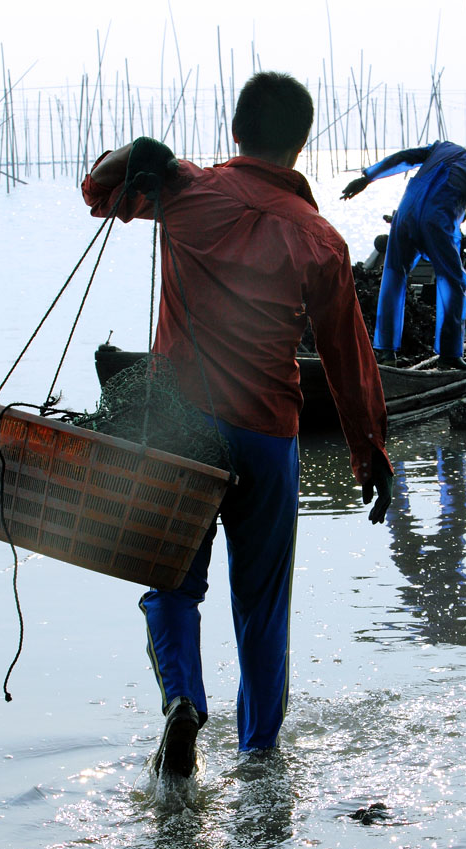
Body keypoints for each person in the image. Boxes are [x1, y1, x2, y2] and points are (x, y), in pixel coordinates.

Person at [81, 72, 393, 776]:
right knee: (261, 607)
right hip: (267, 439)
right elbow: (348, 358)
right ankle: (257, 758)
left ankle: (184, 703)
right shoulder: (319, 239)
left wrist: (132, 153)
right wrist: (369, 452)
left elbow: (99, 192)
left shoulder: (185, 192)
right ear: (301, 141)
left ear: (235, 131)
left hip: (182, 430)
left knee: (170, 581)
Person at [341, 133, 466, 370]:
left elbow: (403, 158)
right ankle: (449, 355)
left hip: (404, 216)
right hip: (436, 224)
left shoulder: (443, 148)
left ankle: (385, 351)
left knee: (394, 277)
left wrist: (367, 177)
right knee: (454, 281)